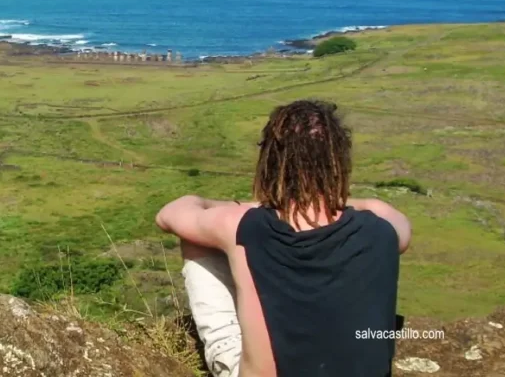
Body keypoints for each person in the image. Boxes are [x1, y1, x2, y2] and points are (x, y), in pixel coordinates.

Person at [155, 99, 412, 377]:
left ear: (270, 161)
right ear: (339, 160)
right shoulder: (385, 226)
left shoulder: (241, 225)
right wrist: (320, 199)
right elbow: (382, 214)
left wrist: (259, 206)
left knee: (196, 236)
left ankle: (227, 345)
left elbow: (169, 214)